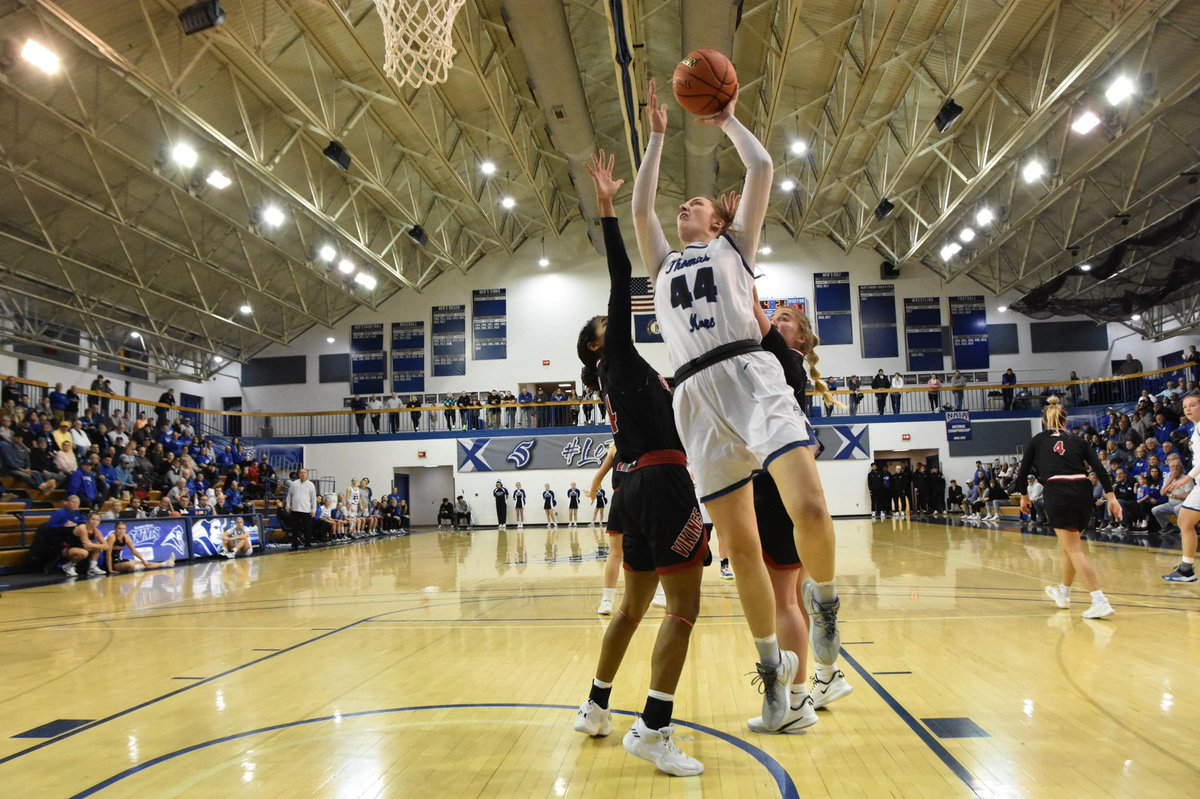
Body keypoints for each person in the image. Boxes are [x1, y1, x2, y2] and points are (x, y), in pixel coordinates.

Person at [632, 79, 839, 735]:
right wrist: (658, 137)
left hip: (750, 373)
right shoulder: (663, 265)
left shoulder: (734, 249)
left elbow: (762, 166)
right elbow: (641, 208)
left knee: (807, 504)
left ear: (718, 224)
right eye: (684, 204)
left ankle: (827, 603)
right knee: (740, 548)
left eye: (695, 204)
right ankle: (775, 679)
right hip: (694, 394)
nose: (684, 206)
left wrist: (726, 120)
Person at [572, 150, 706, 775]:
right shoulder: (618, 357)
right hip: (661, 483)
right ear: (601, 342)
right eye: (610, 322)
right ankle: (653, 729)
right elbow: (622, 272)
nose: (619, 317)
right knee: (680, 611)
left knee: (631, 609)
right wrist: (606, 207)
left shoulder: (620, 374)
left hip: (634, 486)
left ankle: (596, 708)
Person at [747, 302, 852, 731]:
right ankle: (826, 678)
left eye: (785, 318)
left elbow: (750, 311)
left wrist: (736, 265)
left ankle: (794, 703)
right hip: (788, 484)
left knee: (783, 599)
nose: (775, 320)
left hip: (773, 485)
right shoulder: (785, 366)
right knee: (804, 593)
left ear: (801, 339)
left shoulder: (781, 360)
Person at [1016, 398, 1118, 618]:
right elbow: (1100, 469)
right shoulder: (1078, 440)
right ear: (1066, 420)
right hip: (1083, 491)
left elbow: (1022, 473)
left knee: (1073, 549)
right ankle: (1064, 593)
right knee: (1068, 546)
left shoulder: (1038, 440)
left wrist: (1024, 496)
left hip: (1058, 490)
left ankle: (1099, 599)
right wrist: (1112, 497)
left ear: (1044, 421)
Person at [1160, 393, 1200, 583]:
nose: (1189, 409)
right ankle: (1186, 568)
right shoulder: (1195, 428)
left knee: (1185, 520)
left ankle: (1187, 569)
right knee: (1184, 520)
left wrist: (1187, 479)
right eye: (1185, 407)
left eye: (1193, 405)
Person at [107, 521, 176, 572]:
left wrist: (143, 560)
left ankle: (166, 563)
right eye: (119, 529)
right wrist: (110, 570)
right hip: (112, 564)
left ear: (125, 530)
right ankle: (136, 567)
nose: (121, 531)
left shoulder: (126, 537)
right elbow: (108, 554)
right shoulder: (112, 537)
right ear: (115, 529)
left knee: (143, 562)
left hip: (120, 560)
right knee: (131, 564)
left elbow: (134, 551)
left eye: (123, 529)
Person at [62, 511, 110, 578]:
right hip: (69, 549)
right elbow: (86, 545)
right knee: (85, 552)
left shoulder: (97, 531)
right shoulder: (82, 527)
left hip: (83, 549)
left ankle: (92, 567)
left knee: (98, 545)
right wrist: (97, 546)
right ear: (88, 520)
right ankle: (68, 566)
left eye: (97, 520)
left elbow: (107, 546)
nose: (95, 521)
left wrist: (94, 545)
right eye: (93, 519)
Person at [285, 467, 317, 549]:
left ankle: (307, 544)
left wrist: (314, 510)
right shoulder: (294, 483)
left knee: (307, 528)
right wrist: (288, 505)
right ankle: (294, 544)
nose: (302, 474)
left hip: (306, 510)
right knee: (295, 528)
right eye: (301, 473)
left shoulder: (311, 485)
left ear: (307, 474)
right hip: (295, 509)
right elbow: (289, 496)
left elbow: (313, 498)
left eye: (304, 473)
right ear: (299, 474)